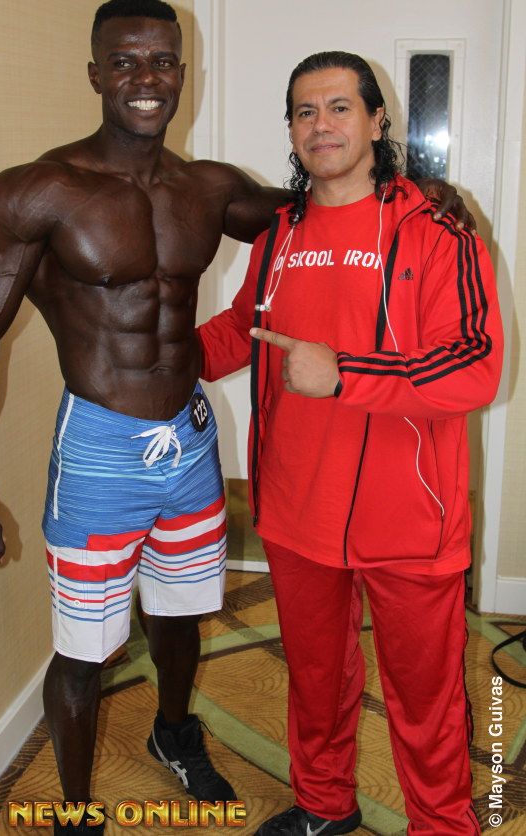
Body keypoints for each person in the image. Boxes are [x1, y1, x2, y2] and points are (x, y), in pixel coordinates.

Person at [0, 0, 472, 832]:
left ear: (184, 73)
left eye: (162, 61)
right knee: (84, 647)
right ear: (95, 74)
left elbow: (320, 207)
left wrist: (417, 192)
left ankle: (174, 731)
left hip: (189, 441)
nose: (146, 79)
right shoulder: (39, 191)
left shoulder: (210, 189)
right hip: (102, 443)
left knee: (181, 611)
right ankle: (75, 812)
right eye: (125, 62)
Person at [197, 51, 503, 835]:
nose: (321, 125)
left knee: (426, 697)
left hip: (410, 519)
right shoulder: (281, 232)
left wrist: (346, 375)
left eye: (339, 107)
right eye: (305, 111)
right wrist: (160, 359)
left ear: (375, 120)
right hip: (298, 506)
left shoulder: (437, 228)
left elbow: (474, 366)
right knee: (315, 679)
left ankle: (444, 825)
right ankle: (324, 805)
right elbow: (243, 326)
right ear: (291, 131)